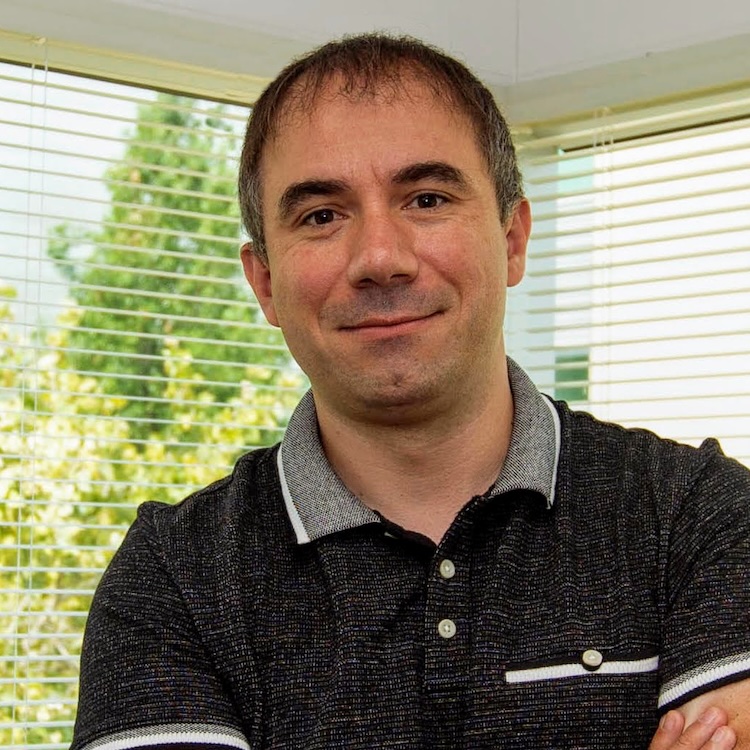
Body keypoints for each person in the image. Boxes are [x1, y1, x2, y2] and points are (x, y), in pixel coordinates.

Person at [71, 33, 750, 750]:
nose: (380, 258)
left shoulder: (699, 515)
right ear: (264, 282)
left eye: (427, 199)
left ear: (513, 240)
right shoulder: (171, 578)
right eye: (322, 215)